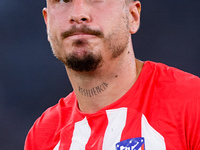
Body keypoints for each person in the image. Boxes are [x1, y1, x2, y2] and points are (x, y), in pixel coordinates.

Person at [24, 0, 200, 149]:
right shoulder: (42, 137)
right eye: (63, 0)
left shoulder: (191, 102)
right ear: (47, 22)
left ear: (132, 16)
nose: (78, 14)